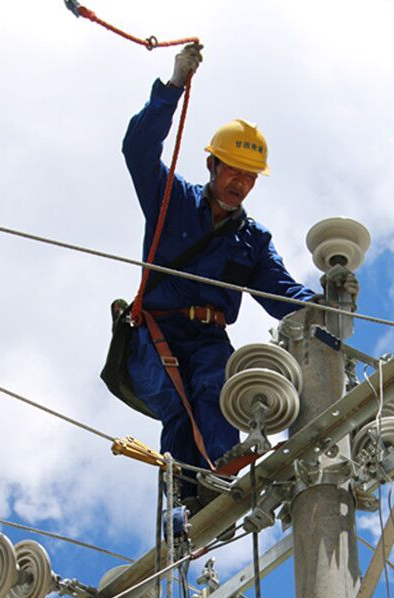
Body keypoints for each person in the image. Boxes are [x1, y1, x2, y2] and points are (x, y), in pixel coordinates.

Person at [122, 43, 317, 498]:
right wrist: (173, 87)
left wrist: (327, 304)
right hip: (156, 332)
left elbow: (283, 295)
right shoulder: (173, 200)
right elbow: (138, 149)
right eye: (234, 171)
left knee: (216, 389)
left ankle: (221, 479)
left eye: (250, 176)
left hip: (208, 339)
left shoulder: (252, 240)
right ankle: (185, 501)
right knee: (177, 405)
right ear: (213, 164)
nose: (241, 183)